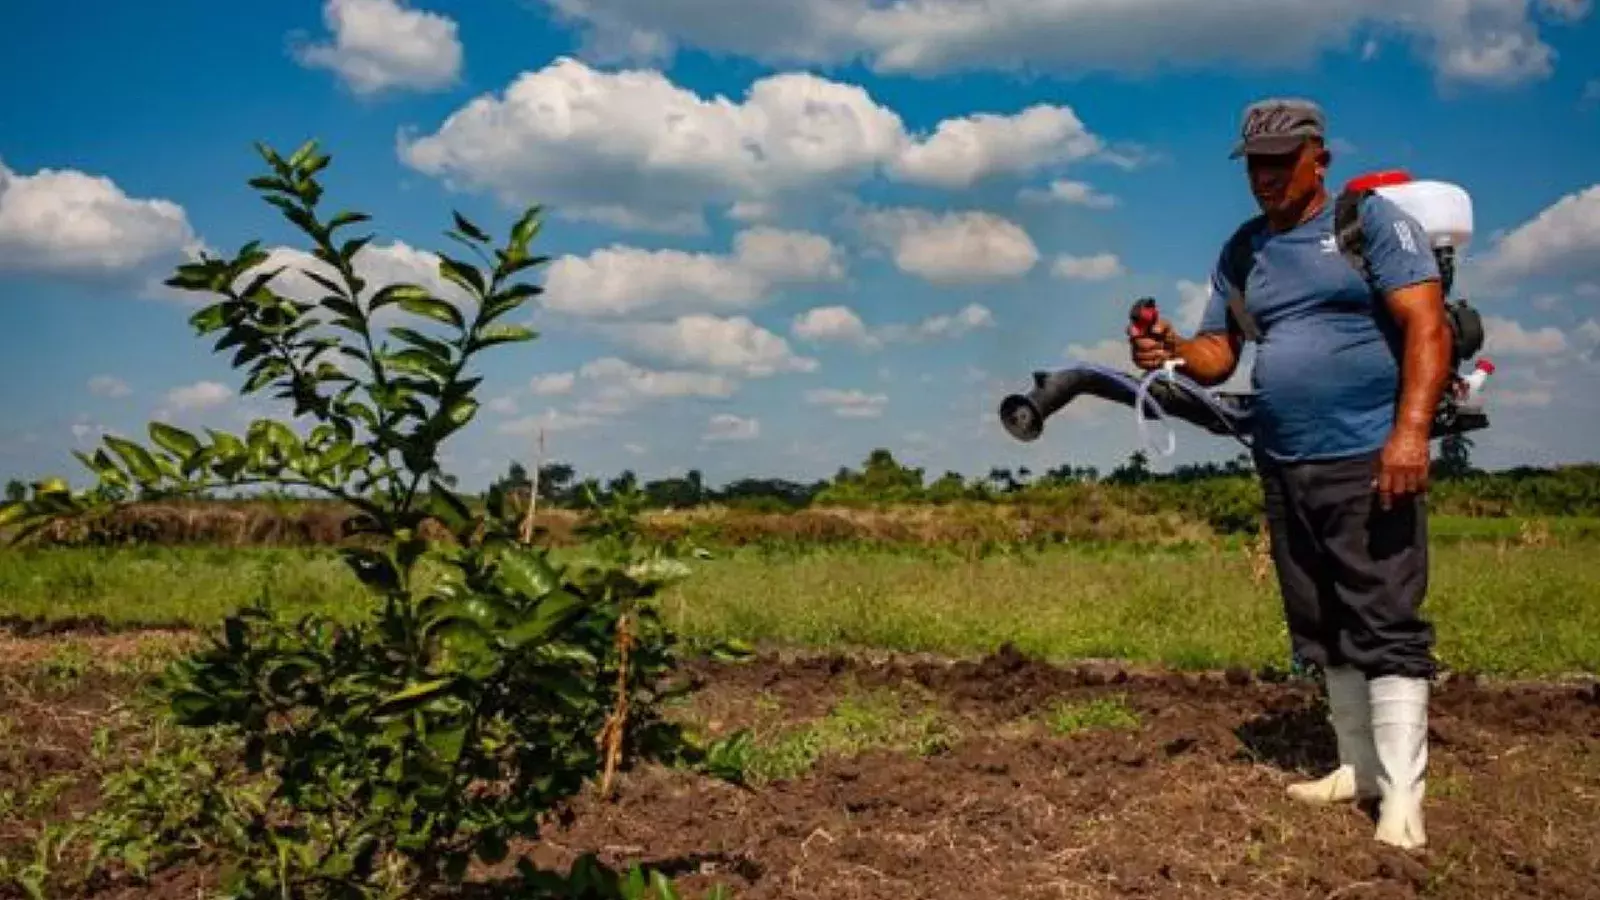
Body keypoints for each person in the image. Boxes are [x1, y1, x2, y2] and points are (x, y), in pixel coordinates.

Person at [1127, 97, 1452, 851]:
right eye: (1257, 165)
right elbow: (1219, 355)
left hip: (1368, 454)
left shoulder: (1367, 223)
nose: (1267, 177)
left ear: (1319, 159)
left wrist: (1409, 436)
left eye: (1283, 161)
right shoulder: (1244, 251)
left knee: (1385, 619)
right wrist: (1171, 346)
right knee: (1320, 619)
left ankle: (1404, 796)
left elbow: (1426, 326)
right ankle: (1356, 766)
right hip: (1283, 457)